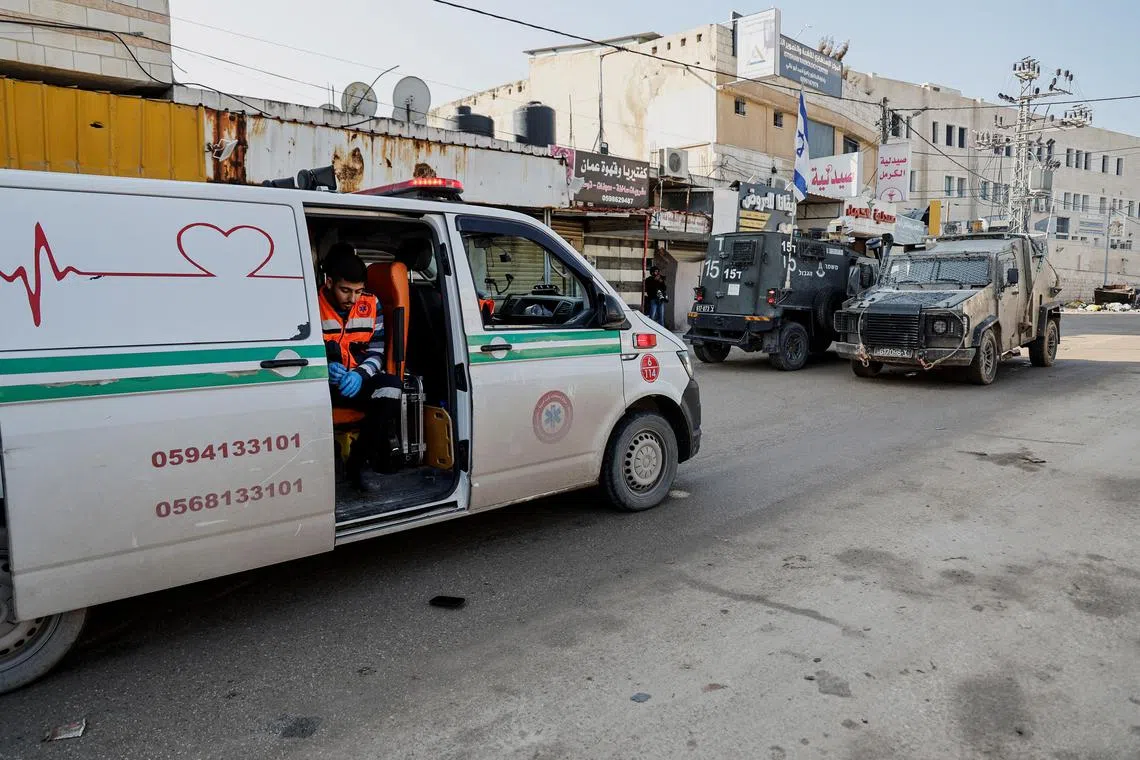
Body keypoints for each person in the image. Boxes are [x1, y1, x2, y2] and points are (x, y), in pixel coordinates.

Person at [319, 243, 403, 490]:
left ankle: (358, 462)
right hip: (323, 387)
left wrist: (358, 374)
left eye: (358, 291)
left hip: (357, 380)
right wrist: (325, 369)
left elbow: (376, 353)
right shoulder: (311, 304)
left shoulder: (371, 303)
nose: (352, 299)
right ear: (330, 282)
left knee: (391, 388)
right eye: (345, 290)